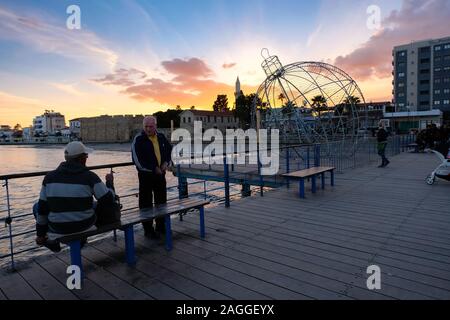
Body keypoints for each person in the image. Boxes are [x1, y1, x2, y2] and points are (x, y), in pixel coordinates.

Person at [35, 141, 119, 252]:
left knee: (37, 206)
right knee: (92, 205)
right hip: (85, 225)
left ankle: (49, 240)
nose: (87, 158)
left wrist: (40, 234)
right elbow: (108, 199)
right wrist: (109, 183)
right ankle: (81, 240)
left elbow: (42, 209)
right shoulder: (89, 176)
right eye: (86, 156)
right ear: (81, 159)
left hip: (58, 228)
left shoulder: (49, 177)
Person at [131, 116, 172, 239]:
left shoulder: (161, 137)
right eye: (146, 127)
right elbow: (137, 160)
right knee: (145, 203)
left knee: (161, 202)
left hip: (160, 176)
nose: (148, 129)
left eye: (151, 126)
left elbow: (170, 152)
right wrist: (153, 168)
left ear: (156, 126)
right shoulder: (138, 139)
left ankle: (160, 226)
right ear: (143, 127)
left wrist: (166, 162)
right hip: (145, 177)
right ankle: (148, 230)